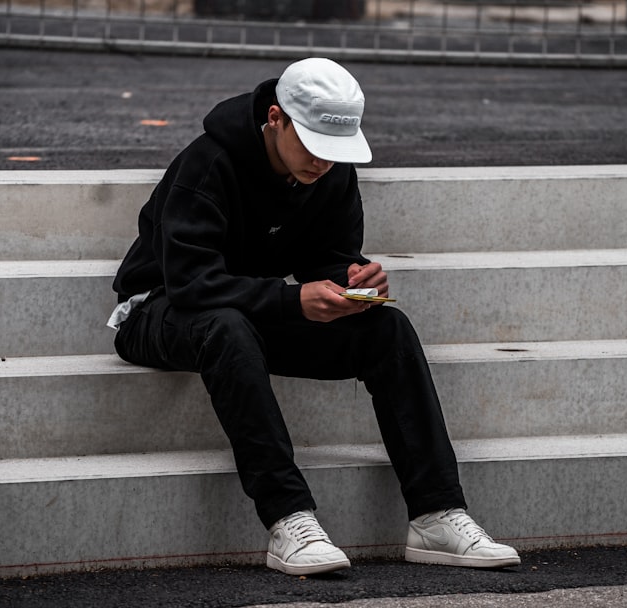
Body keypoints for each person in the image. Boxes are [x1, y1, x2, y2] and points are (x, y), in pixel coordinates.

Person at [108, 57, 520, 576]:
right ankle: (289, 521)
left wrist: (353, 280)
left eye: (335, 150)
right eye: (314, 146)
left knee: (386, 328)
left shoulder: (330, 172)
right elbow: (191, 285)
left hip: (249, 316)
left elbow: (325, 256)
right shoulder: (208, 163)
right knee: (226, 327)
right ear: (275, 119)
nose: (323, 163)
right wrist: (292, 300)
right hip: (158, 311)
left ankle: (437, 513)